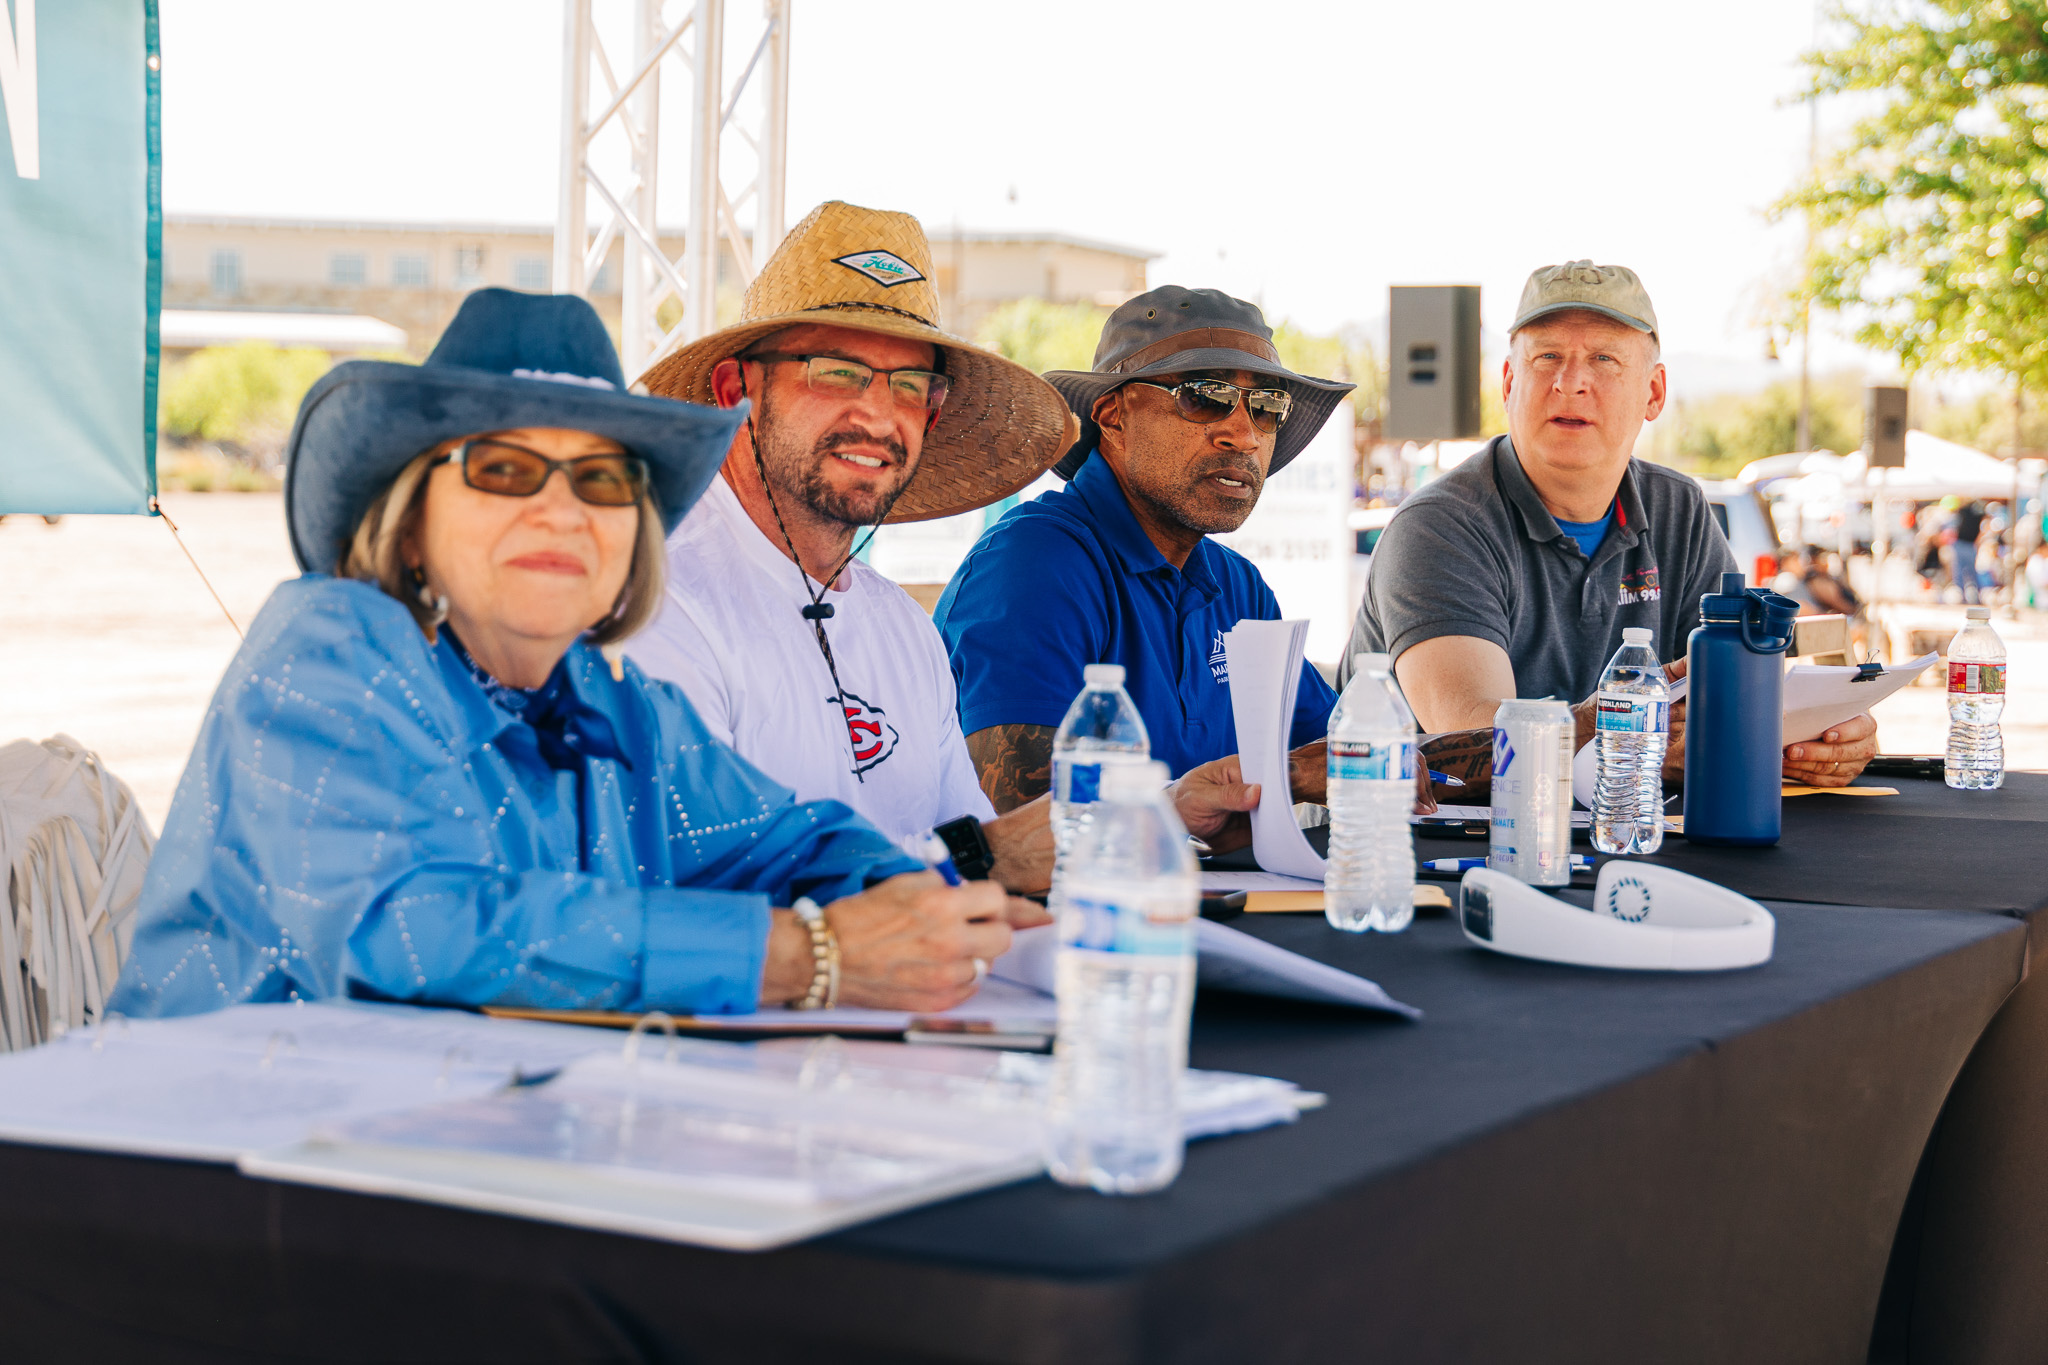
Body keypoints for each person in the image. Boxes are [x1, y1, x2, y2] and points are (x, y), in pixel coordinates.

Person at [110, 289, 1037, 1020]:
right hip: (213, 1168)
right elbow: (415, 929)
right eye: (504, 470)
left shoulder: (607, 700)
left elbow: (791, 842)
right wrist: (811, 954)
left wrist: (935, 906)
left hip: (452, 1155)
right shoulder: (331, 649)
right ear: (412, 518)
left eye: (600, 479)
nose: (560, 511)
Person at [627, 203, 1270, 888]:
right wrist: (982, 860)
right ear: (738, 391)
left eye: (910, 386)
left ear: (932, 415)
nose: (879, 415)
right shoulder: (654, 604)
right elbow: (697, 888)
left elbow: (987, 860)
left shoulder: (900, 627)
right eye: (835, 371)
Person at [1346, 260, 1877, 789]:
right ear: (1509, 383)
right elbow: (1478, 741)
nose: (1570, 382)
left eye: (1603, 359)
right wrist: (1642, 739)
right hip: (1429, 837)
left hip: (1623, 827)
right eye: (1547, 356)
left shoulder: (1680, 511)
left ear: (1654, 393)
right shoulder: (1439, 527)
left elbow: (1738, 698)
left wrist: (1821, 737)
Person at [935, 286, 1364, 812]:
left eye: (1267, 406)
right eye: (1205, 396)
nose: (1244, 435)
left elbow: (1341, 752)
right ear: (1113, 416)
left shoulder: (1238, 588)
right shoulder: (1033, 564)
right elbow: (1025, 820)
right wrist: (1271, 781)